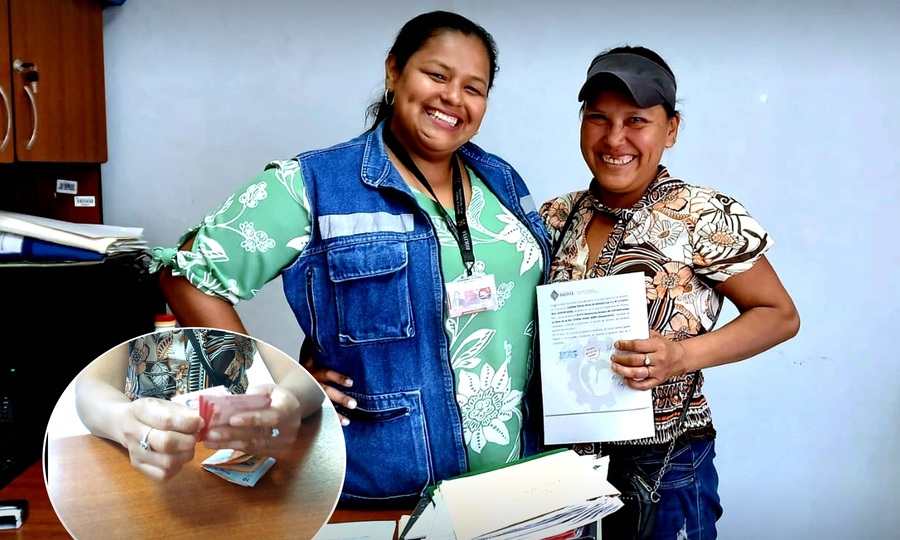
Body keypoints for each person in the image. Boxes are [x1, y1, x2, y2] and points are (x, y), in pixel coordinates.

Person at [151, 10, 550, 505]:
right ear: (393, 72)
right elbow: (187, 276)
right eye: (437, 75)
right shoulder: (315, 185)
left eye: (475, 87)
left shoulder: (503, 181)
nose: (453, 98)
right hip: (389, 492)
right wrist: (272, 388)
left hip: (519, 485)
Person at [540, 46, 800, 539]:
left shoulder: (703, 215)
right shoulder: (557, 216)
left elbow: (779, 314)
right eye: (598, 118)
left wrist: (681, 356)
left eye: (636, 120)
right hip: (564, 468)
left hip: (666, 465)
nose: (615, 138)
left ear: (672, 129)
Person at [75, 328, 325, 482]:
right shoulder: (136, 281)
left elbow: (307, 381)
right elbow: (91, 386)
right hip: (141, 453)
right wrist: (124, 420)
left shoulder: (241, 289)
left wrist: (288, 398)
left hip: (233, 444)